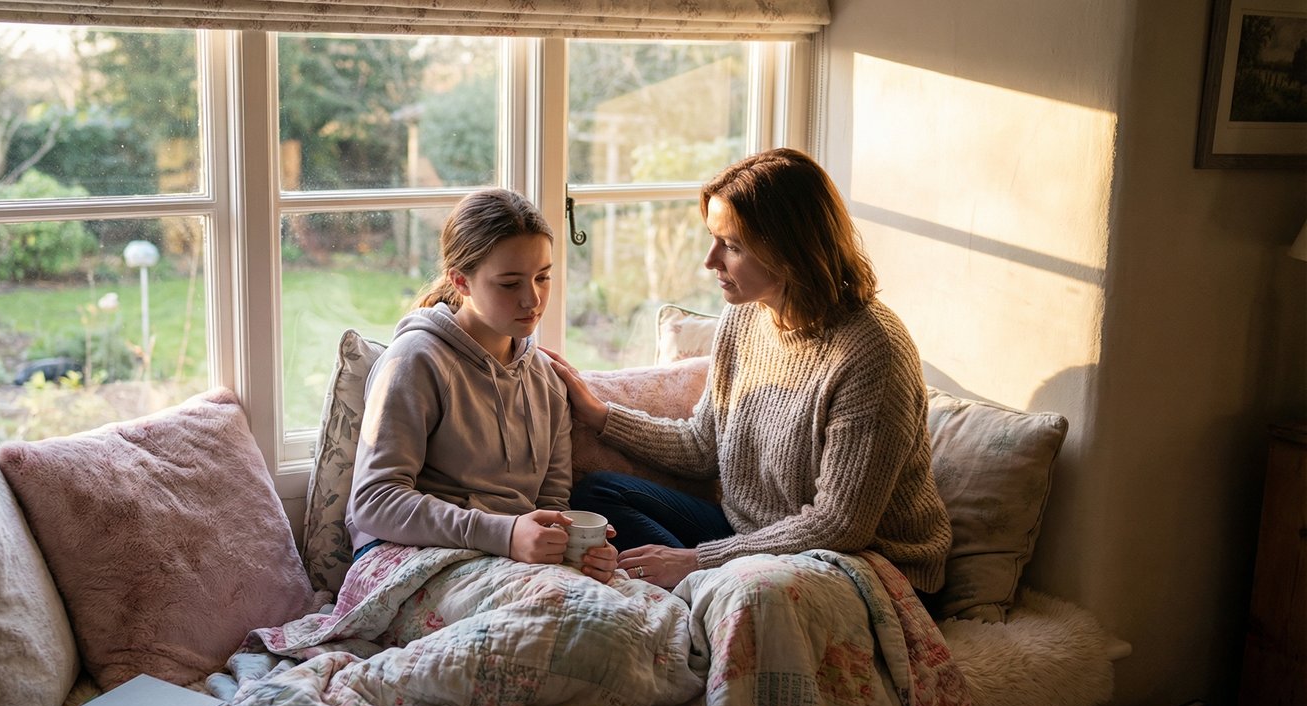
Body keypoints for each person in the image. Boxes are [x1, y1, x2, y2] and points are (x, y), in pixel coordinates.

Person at [546, 148, 951, 593]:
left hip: (862, 565)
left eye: (732, 246)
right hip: (748, 535)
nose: (710, 260)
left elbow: (840, 525)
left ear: (790, 251)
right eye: (714, 238)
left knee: (745, 592)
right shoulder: (745, 316)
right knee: (599, 495)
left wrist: (695, 561)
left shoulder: (872, 352)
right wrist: (601, 414)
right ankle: (700, 592)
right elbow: (703, 447)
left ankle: (702, 593)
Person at [346, 188, 619, 582]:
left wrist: (576, 548)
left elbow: (551, 505)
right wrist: (503, 533)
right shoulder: (415, 361)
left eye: (543, 277)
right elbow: (374, 501)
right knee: (571, 615)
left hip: (507, 563)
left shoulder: (547, 381)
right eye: (509, 284)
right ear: (461, 281)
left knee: (644, 618)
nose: (533, 299)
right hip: (409, 557)